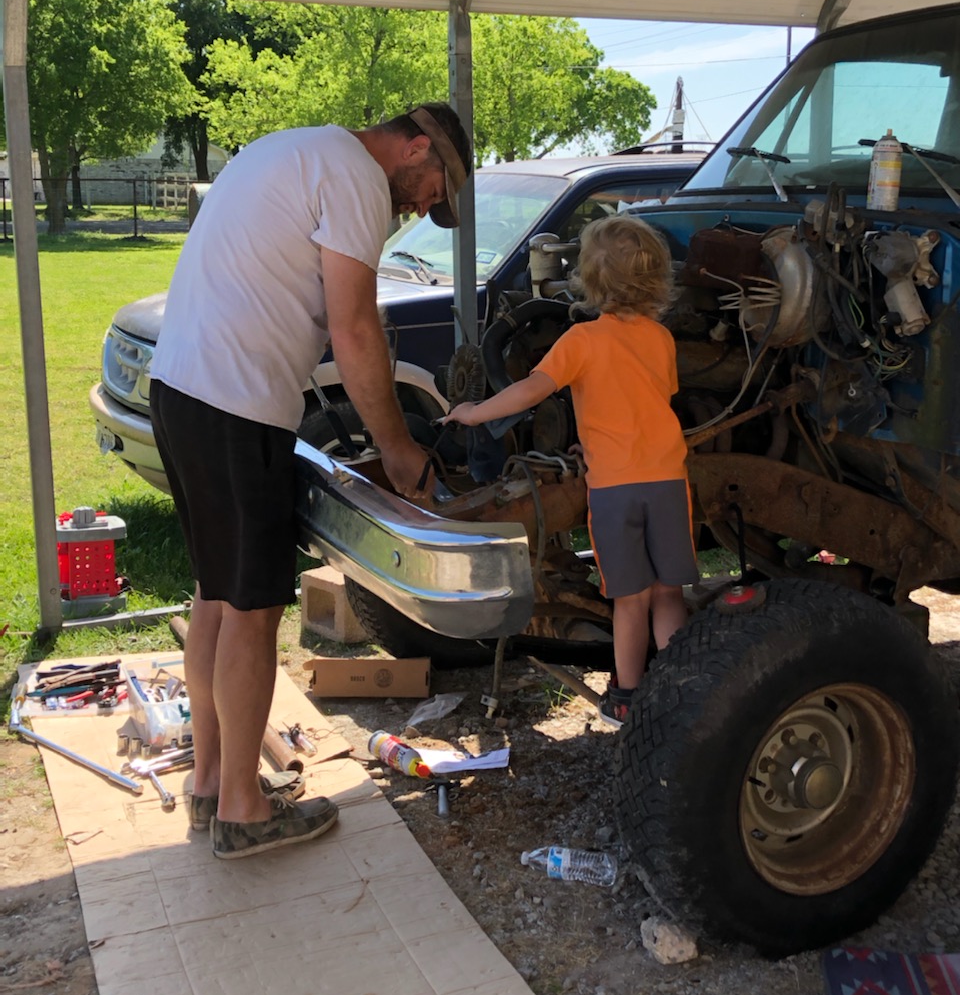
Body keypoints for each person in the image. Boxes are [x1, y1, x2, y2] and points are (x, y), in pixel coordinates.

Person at [150, 103, 472, 857]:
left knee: (217, 596)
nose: (426, 206)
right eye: (433, 189)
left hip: (182, 388)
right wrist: (395, 448)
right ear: (416, 146)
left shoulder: (295, 148)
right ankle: (242, 809)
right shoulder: (358, 176)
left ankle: (210, 785)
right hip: (236, 400)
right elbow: (354, 325)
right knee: (255, 610)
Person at [444, 213, 697, 728]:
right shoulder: (660, 339)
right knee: (669, 594)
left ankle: (626, 695)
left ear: (587, 280)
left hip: (615, 491)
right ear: (656, 281)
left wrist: (473, 412)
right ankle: (677, 689)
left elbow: (530, 392)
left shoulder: (580, 341)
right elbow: (655, 400)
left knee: (631, 600)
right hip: (668, 480)